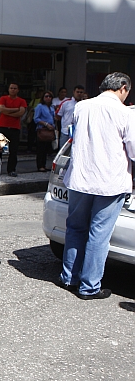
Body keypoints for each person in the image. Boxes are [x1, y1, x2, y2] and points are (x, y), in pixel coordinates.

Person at [59, 72, 135, 300]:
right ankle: (89, 286)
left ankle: (70, 278)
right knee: (99, 235)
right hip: (109, 182)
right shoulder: (125, 113)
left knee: (75, 229)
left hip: (80, 179)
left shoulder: (82, 107)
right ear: (122, 87)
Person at [0, 83, 27, 177]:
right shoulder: (3, 98)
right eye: (11, 88)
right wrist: (16, 110)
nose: (13, 90)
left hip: (15, 128)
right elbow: (1, 110)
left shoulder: (22, 101)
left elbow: (21, 112)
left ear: (18, 90)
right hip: (3, 127)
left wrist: (8, 111)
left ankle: (11, 170)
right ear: (8, 89)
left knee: (13, 151)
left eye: (15, 88)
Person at [55, 85, 85, 150]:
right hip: (66, 132)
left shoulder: (85, 104)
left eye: (81, 92)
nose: (79, 94)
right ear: (74, 92)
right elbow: (58, 116)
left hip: (80, 132)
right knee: (63, 152)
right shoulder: (65, 103)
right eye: (77, 92)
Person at [33, 92, 56, 172]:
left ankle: (44, 164)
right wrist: (46, 124)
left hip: (50, 129)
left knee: (47, 149)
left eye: (50, 96)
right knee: (41, 149)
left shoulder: (52, 107)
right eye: (46, 96)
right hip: (42, 129)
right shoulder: (40, 106)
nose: (48, 98)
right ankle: (40, 165)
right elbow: (36, 118)